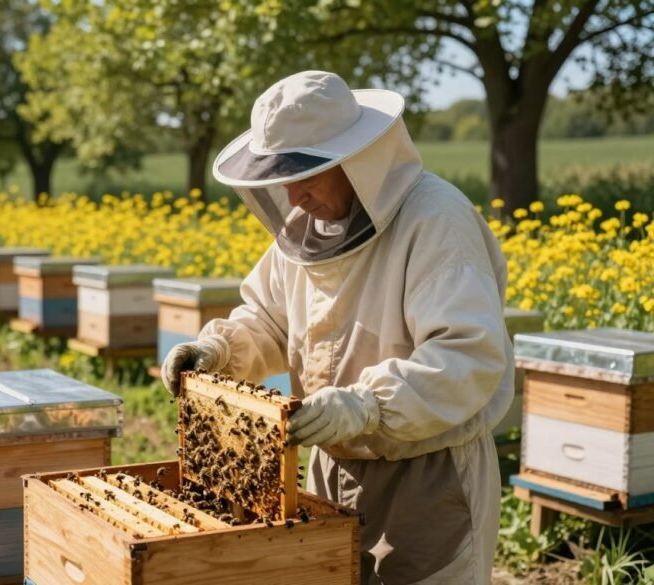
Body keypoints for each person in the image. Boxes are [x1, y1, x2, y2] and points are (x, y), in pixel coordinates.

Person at [161, 71, 512, 584]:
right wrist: (219, 349)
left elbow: (467, 356)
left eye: (306, 173)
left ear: (358, 160)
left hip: (426, 473)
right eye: (280, 176)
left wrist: (369, 404)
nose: (293, 195)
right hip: (330, 464)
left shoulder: (436, 221)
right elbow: (268, 321)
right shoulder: (305, 232)